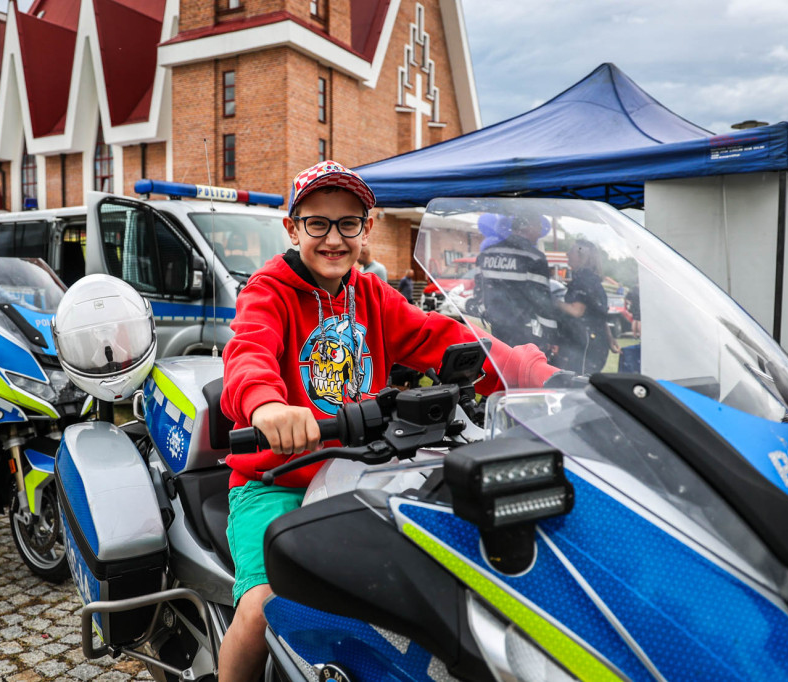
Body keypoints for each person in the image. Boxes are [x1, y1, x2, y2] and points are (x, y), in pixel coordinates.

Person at [217, 160, 558, 682]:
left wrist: (540, 377)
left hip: (361, 471)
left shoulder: (372, 295)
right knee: (263, 603)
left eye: (348, 223)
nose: (333, 238)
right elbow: (249, 351)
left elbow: (445, 339)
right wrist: (268, 407)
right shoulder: (269, 291)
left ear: (367, 228)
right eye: (317, 223)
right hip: (277, 479)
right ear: (292, 228)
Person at [474, 212, 558, 351]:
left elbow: (478, 292)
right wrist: (551, 336)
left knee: (501, 366)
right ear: (526, 227)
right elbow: (542, 302)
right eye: (538, 225)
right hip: (525, 333)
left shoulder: (486, 253)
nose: (540, 231)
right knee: (520, 370)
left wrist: (488, 314)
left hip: (496, 328)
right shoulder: (534, 258)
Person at [555, 239, 620, 374]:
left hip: (584, 345)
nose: (567, 254)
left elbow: (576, 311)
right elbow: (598, 316)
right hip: (596, 344)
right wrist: (610, 339)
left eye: (571, 251)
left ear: (582, 256)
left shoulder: (582, 279)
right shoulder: (593, 280)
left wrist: (551, 300)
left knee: (577, 385)